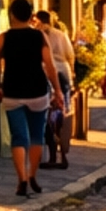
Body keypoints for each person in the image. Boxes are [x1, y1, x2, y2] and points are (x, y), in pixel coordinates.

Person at [0, 0, 63, 196]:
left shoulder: (3, 38)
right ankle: (32, 175)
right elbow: (50, 66)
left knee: (19, 137)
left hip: (12, 91)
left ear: (12, 15)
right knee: (36, 136)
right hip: (37, 91)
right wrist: (57, 90)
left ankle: (21, 178)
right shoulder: (40, 37)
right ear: (30, 15)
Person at [37, 9, 76, 168]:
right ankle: (63, 151)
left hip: (47, 72)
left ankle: (52, 153)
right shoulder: (61, 34)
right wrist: (72, 74)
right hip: (64, 72)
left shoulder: (39, 34)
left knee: (47, 114)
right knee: (62, 112)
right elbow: (70, 55)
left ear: (39, 20)